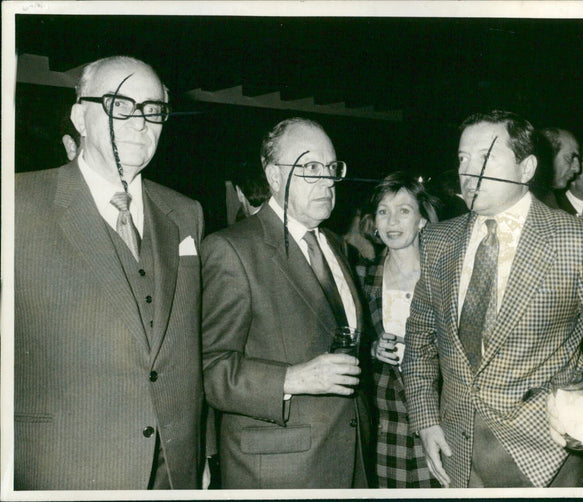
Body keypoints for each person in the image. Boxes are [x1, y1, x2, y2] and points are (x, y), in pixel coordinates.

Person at [14, 56, 205, 489]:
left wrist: (199, 454)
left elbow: (186, 349)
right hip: (62, 468)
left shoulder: (185, 213)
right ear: (80, 116)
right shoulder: (17, 203)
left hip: (173, 471)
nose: (140, 122)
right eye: (121, 104)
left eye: (153, 109)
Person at [402, 110, 583, 488]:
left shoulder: (578, 241)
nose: (468, 172)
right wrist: (425, 420)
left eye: (485, 157)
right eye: (462, 159)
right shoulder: (438, 242)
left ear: (526, 167)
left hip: (547, 455)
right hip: (457, 454)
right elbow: (419, 340)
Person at [201, 117, 372, 488]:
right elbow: (210, 369)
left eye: (331, 168)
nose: (327, 181)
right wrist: (293, 378)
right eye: (310, 167)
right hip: (280, 470)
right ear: (274, 177)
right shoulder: (231, 249)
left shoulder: (335, 244)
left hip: (351, 457)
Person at [358, 172, 440, 488]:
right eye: (383, 211)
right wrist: (371, 349)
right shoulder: (362, 279)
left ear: (421, 220)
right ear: (374, 223)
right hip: (384, 427)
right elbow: (344, 343)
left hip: (438, 419)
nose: (392, 220)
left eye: (404, 210)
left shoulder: (444, 278)